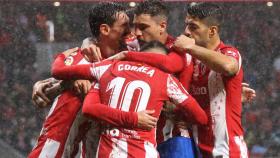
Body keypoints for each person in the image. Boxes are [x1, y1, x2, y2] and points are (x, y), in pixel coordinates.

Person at [29, 3, 157, 158]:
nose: (131, 32)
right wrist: (59, 84)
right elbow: (50, 89)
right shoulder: (82, 59)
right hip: (56, 144)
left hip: (102, 143)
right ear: (104, 29)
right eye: (125, 26)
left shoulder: (130, 53)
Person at [51, 40, 208, 158]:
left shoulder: (108, 68)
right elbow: (201, 118)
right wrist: (179, 113)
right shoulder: (166, 80)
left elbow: (59, 72)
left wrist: (62, 55)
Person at [173, 2, 248, 157]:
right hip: (196, 150)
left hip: (226, 151)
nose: (186, 32)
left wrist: (190, 47)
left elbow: (229, 66)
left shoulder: (228, 52)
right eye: (186, 26)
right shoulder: (188, 61)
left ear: (212, 31)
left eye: (193, 27)